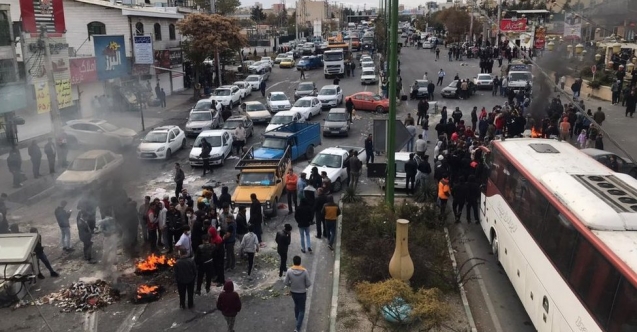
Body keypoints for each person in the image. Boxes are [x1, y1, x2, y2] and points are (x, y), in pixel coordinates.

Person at [284, 255, 312, 332]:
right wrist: (303, 286)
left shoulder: (289, 271)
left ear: (293, 262)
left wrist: (292, 285)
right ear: (300, 262)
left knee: (296, 305)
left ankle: (297, 318)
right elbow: (308, 283)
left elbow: (286, 282)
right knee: (302, 310)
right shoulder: (304, 271)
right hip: (302, 293)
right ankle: (297, 327)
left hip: (293, 292)